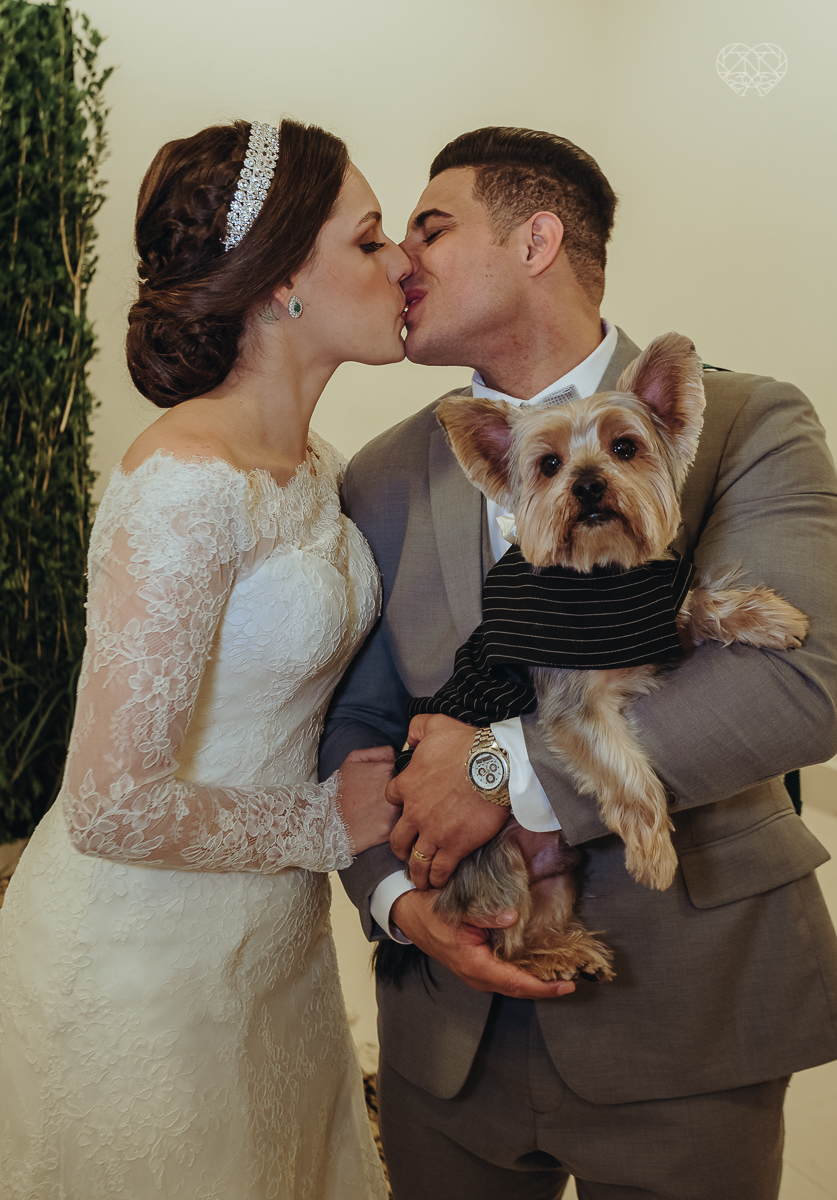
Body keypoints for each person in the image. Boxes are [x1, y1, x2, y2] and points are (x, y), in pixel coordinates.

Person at [320, 126, 837, 1200]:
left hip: (689, 1018)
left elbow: (806, 679)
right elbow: (354, 728)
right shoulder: (383, 474)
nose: (400, 257)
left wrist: (499, 772)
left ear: (536, 241)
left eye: (429, 227)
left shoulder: (748, 421)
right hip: (444, 1031)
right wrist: (400, 907)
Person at [0, 117, 411, 1198]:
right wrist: (324, 823)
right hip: (143, 961)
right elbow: (110, 805)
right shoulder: (186, 482)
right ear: (282, 280)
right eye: (370, 239)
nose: (401, 261)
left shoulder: (315, 465)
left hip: (273, 948)